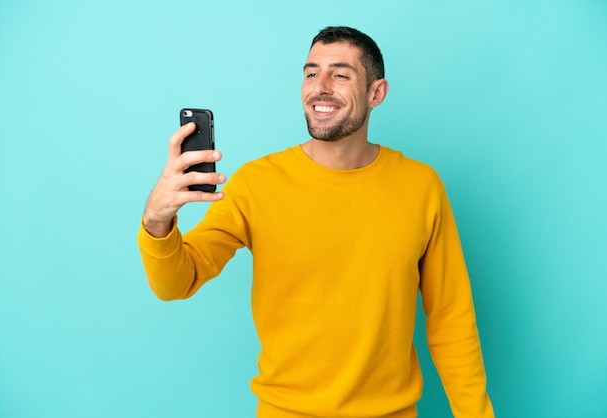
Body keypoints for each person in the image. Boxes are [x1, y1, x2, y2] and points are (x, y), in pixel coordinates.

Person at [138, 26, 495, 418]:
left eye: (340, 74)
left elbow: (451, 319)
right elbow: (176, 282)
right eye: (311, 73)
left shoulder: (421, 187)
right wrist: (157, 220)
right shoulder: (257, 185)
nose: (320, 87)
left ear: (377, 93)